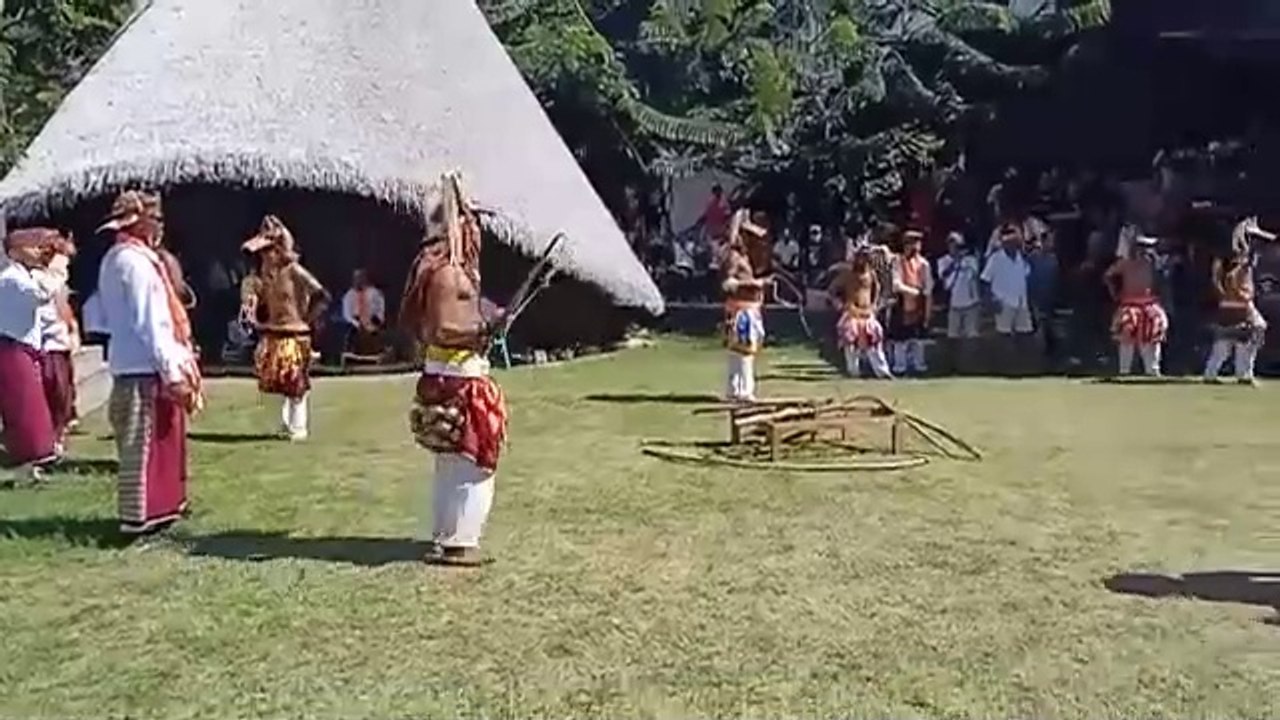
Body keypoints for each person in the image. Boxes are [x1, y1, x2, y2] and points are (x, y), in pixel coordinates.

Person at [401, 172, 507, 567]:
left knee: (454, 464)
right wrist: (483, 330)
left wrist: (490, 319)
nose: (477, 230)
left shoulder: (453, 270)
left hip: (452, 375)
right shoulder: (446, 273)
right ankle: (459, 542)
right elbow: (441, 329)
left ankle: (449, 537)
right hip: (459, 380)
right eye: (471, 221)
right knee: (473, 461)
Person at [96, 190, 202, 539]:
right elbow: (150, 321)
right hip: (143, 366)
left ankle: (162, 507)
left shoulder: (121, 259)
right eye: (155, 220)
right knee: (141, 447)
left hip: (139, 362)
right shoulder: (134, 263)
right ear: (138, 222)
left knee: (161, 442)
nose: (160, 227)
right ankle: (138, 516)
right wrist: (172, 369)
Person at [240, 216, 330, 442]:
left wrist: (306, 320)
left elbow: (321, 295)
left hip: (295, 334)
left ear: (279, 249)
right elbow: (258, 303)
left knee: (295, 382)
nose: (264, 256)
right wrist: (252, 305)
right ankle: (285, 424)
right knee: (276, 383)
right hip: (273, 334)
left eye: (268, 251)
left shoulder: (294, 271)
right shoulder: (263, 276)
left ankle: (298, 426)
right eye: (262, 252)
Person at [0, 228, 71, 482]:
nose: (38, 251)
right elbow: (40, 295)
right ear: (15, 251)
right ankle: (26, 462)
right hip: (12, 347)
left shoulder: (25, 275)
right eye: (32, 247)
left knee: (32, 407)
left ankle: (34, 462)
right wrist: (58, 270)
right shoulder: (11, 278)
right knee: (23, 408)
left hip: (25, 347)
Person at [1203, 218, 1275, 384]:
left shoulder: (1227, 259)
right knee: (1248, 333)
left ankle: (1213, 372)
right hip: (1239, 302)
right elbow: (1230, 278)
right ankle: (1242, 374)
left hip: (1230, 302)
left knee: (1230, 339)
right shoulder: (1235, 260)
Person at [720, 209, 772, 402]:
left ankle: (735, 389)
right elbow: (728, 283)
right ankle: (743, 390)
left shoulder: (745, 258)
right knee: (743, 352)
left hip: (747, 309)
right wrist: (755, 284)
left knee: (739, 352)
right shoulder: (734, 257)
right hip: (741, 310)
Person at [1104, 234, 1167, 376]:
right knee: (1126, 339)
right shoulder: (1126, 263)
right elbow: (1108, 275)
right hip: (1130, 304)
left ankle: (1153, 370)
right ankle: (1124, 371)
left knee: (1152, 338)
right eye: (1142, 248)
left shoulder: (1153, 263)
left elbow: (1162, 280)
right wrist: (1114, 292)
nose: (1145, 251)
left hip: (1150, 304)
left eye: (1148, 248)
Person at [828, 248, 891, 378]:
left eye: (865, 257)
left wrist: (874, 305)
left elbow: (877, 289)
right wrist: (841, 305)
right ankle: (853, 371)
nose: (863, 260)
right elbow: (832, 290)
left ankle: (882, 372)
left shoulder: (871, 274)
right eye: (861, 257)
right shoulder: (847, 274)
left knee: (874, 341)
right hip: (852, 312)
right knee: (850, 343)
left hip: (867, 312)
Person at [38, 267, 81, 456]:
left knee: (63, 396)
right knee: (53, 395)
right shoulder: (38, 283)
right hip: (45, 349)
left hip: (61, 348)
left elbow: (66, 313)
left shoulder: (57, 285)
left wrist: (72, 332)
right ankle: (49, 441)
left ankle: (58, 437)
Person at [982, 224, 1034, 373]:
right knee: (1004, 336)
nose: (1013, 244)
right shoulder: (995, 258)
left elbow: (1026, 277)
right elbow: (985, 281)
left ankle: (1023, 367)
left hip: (1021, 302)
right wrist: (990, 301)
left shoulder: (1021, 258)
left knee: (1025, 335)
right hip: (1003, 302)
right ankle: (1004, 367)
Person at [888, 229, 933, 376]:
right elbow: (896, 284)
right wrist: (912, 292)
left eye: (917, 243)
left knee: (917, 338)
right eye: (911, 243)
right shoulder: (898, 261)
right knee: (900, 339)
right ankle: (900, 367)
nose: (914, 247)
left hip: (919, 305)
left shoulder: (924, 264)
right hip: (901, 303)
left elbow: (928, 287)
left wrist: (927, 311)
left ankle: (919, 366)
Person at [936, 231, 982, 373]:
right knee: (953, 336)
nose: (955, 248)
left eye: (958, 245)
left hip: (971, 303)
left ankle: (971, 365)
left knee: (971, 335)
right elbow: (943, 276)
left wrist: (965, 259)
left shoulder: (971, 260)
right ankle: (953, 366)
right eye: (953, 245)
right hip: (954, 303)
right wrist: (955, 262)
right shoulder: (943, 261)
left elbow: (976, 275)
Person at [340, 268, 386, 357]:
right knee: (350, 337)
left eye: (361, 278)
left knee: (379, 336)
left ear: (365, 278)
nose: (358, 281)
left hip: (372, 321)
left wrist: (378, 320)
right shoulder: (349, 295)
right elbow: (346, 314)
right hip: (355, 324)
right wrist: (358, 324)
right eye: (356, 278)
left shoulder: (375, 293)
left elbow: (380, 307)